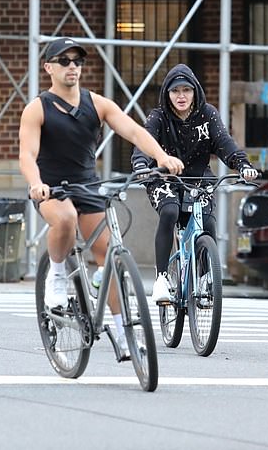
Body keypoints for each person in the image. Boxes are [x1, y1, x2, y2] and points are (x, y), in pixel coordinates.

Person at [18, 37, 184, 354]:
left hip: (87, 185)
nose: (72, 67)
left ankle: (123, 332)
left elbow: (133, 131)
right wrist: (36, 181)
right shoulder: (37, 109)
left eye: (77, 61)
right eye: (64, 61)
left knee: (108, 256)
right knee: (64, 218)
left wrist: (161, 156)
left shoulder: (97, 104)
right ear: (48, 67)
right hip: (52, 187)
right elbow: (27, 153)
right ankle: (55, 276)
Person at [131, 63, 258, 305]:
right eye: (175, 91)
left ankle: (204, 278)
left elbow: (224, 142)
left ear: (195, 92)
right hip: (164, 178)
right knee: (169, 211)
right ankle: (162, 279)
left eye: (186, 90)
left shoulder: (207, 114)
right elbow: (144, 143)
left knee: (207, 222)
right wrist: (141, 165)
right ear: (167, 94)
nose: (181, 96)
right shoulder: (158, 117)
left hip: (198, 179)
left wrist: (242, 164)